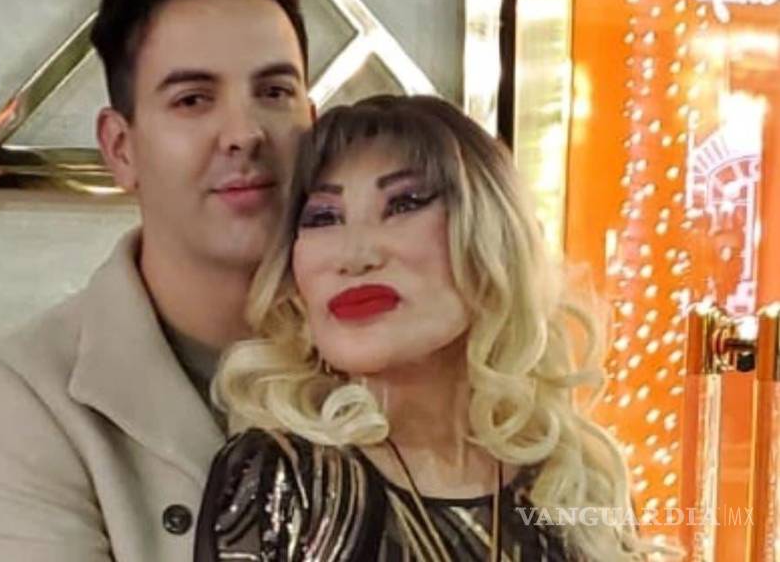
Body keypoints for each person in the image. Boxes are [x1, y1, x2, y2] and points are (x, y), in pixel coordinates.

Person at [0, 0, 313, 562]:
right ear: (121, 148)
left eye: (275, 92)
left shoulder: (392, 340)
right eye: (193, 99)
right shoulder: (26, 390)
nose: (245, 132)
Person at [194, 95, 670, 561]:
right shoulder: (289, 481)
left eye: (403, 204)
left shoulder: (575, 482)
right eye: (323, 217)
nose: (355, 256)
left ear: (492, 236)